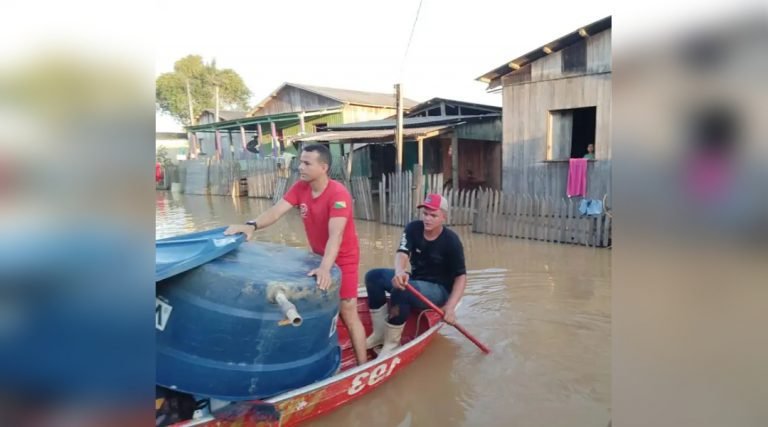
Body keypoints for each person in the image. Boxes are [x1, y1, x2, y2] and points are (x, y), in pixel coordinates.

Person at [224, 144, 368, 366]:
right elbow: (276, 211)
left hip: (343, 259)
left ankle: (363, 365)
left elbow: (336, 236)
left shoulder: (339, 194)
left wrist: (325, 268)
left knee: (348, 311)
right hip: (317, 258)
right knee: (318, 305)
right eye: (300, 161)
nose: (300, 166)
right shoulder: (301, 187)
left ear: (323, 167)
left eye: (307, 163)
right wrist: (251, 225)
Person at [364, 193, 467, 356]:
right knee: (373, 277)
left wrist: (450, 307)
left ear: (444, 218)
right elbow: (402, 252)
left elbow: (461, 277)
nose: (427, 219)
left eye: (433, 215)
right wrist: (399, 271)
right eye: (425, 213)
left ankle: (391, 344)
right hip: (416, 280)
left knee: (402, 290)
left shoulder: (451, 241)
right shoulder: (413, 228)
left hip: (439, 290)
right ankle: (379, 335)